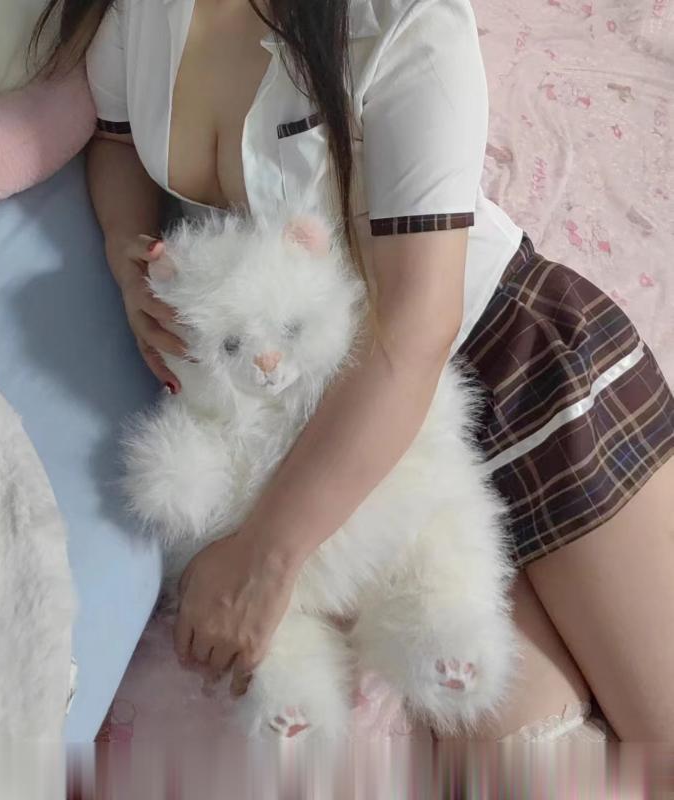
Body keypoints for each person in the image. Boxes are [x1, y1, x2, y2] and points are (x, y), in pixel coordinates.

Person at [34, 0, 674, 740]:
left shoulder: (405, 19)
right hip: (334, 435)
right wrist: (127, 254)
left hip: (510, 373)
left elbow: (415, 330)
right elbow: (115, 139)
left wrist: (265, 558)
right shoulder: (140, 13)